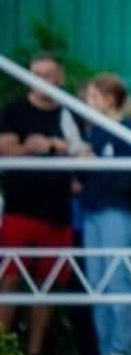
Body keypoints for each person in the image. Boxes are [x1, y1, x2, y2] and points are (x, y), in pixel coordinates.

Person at [0, 52, 81, 355]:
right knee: (10, 279)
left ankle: (35, 350)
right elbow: (6, 148)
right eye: (37, 74)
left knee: (47, 286)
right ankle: (4, 347)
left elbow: (81, 150)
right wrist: (35, 147)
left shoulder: (70, 113)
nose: (43, 80)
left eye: (49, 75)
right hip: (20, 210)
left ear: (60, 77)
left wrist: (52, 147)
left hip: (58, 212)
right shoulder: (14, 111)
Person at [78, 73, 131, 355]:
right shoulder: (95, 131)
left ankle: (120, 349)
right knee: (96, 283)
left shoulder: (127, 131)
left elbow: (129, 178)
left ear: (109, 100)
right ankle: (105, 346)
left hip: (115, 212)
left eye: (94, 97)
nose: (89, 103)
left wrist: (98, 167)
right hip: (93, 212)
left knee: (118, 281)